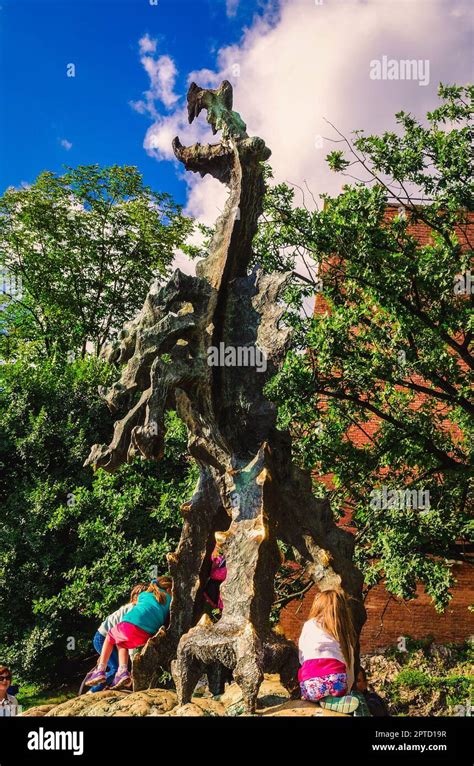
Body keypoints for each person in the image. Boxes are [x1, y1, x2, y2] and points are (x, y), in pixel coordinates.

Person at [84, 577, 172, 691]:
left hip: (126, 629)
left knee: (113, 636)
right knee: (118, 644)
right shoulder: (169, 601)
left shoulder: (143, 598)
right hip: (109, 636)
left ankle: (103, 670)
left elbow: (131, 624)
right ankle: (119, 672)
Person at [298, 589, 360, 714]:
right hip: (336, 684)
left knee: (309, 679)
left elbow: (301, 656)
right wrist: (347, 690)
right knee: (338, 683)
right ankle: (333, 698)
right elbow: (350, 668)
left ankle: (318, 698)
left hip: (310, 687)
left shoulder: (309, 625)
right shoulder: (342, 633)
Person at [90, 583, 148, 693]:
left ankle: (109, 687)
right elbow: (124, 636)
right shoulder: (131, 609)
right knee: (116, 667)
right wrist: (133, 658)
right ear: (135, 598)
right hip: (102, 637)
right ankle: (93, 692)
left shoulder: (137, 611)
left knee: (118, 666)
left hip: (112, 639)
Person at [203, 532, 227, 615]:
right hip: (214, 582)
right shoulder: (218, 553)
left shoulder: (227, 556)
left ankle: (217, 613)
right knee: (214, 602)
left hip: (222, 581)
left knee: (220, 603)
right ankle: (214, 613)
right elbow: (214, 562)